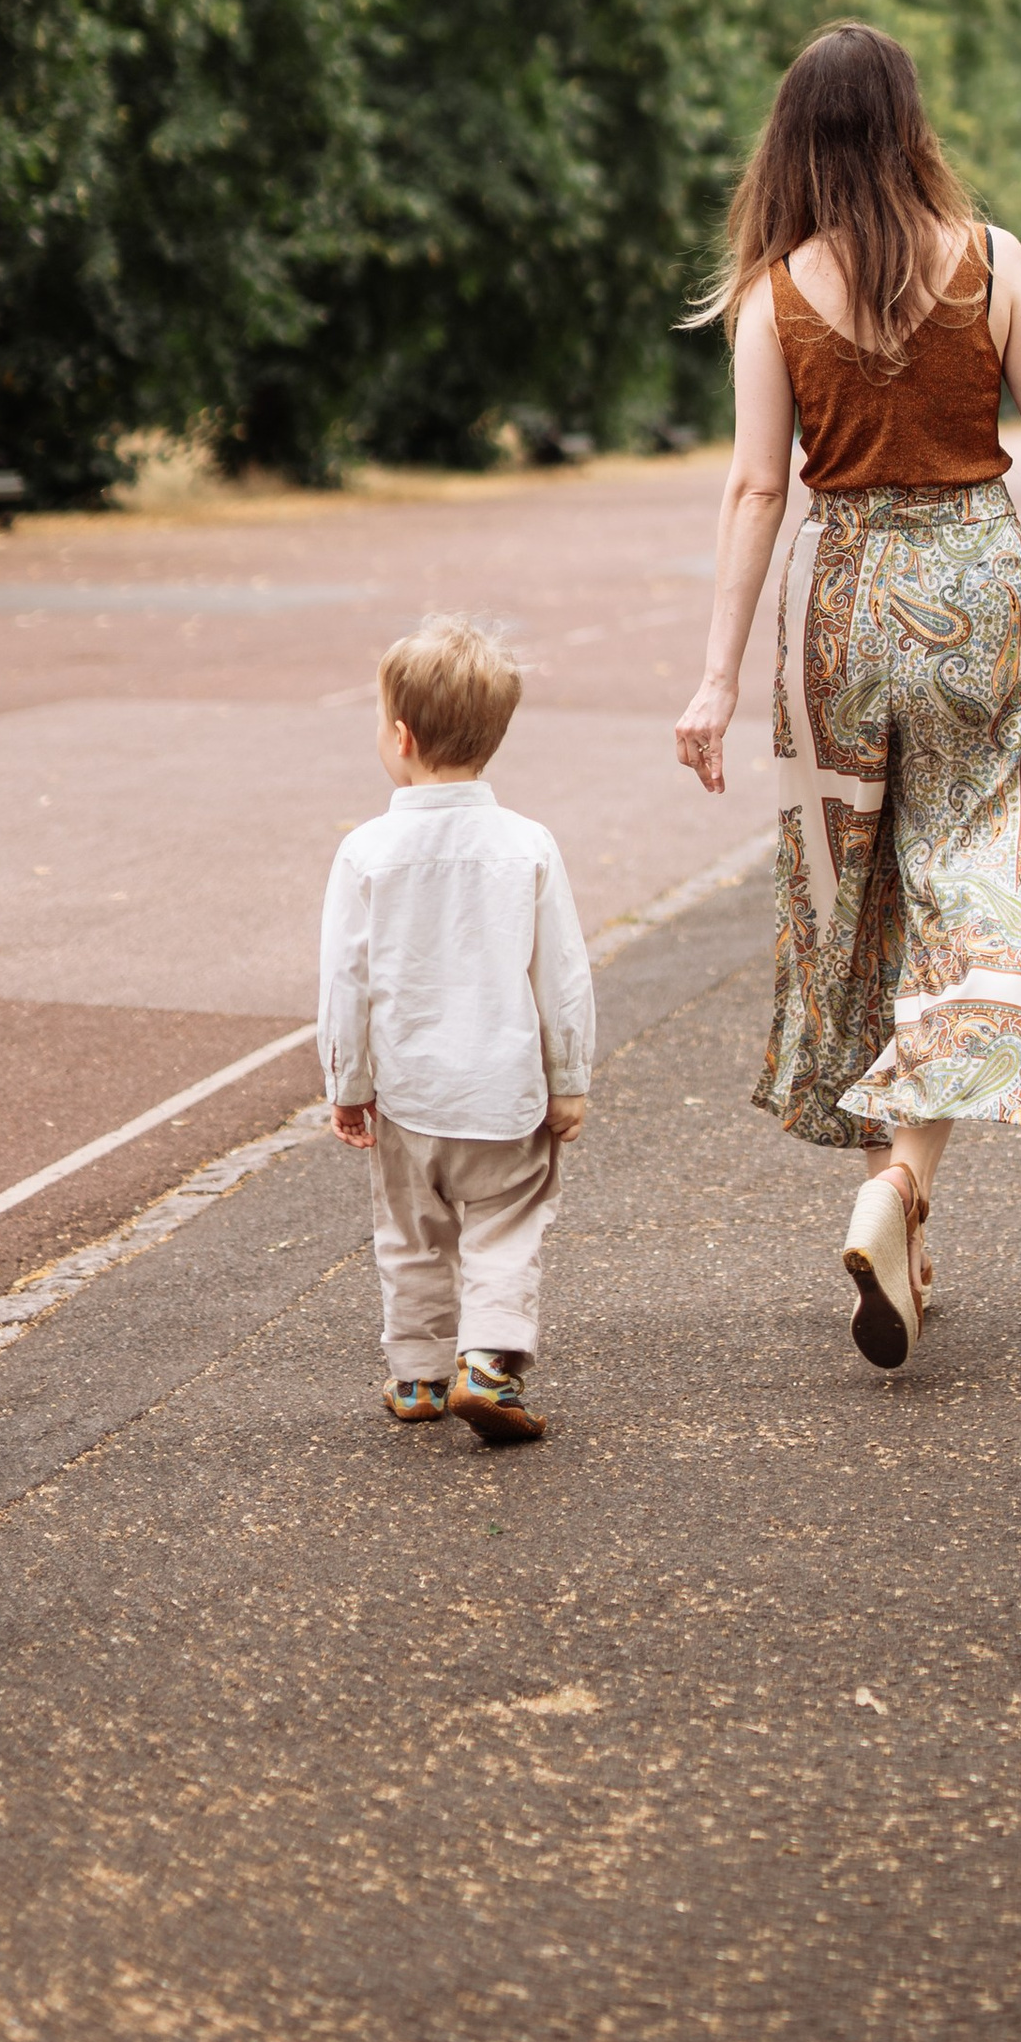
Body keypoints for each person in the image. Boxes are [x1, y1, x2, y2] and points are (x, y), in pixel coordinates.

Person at [674, 23, 1021, 1371]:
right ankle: (901, 1187)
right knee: (975, 895)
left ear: (790, 139)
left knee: (858, 900)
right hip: (981, 580)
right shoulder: (996, 262)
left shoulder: (771, 295)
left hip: (837, 599)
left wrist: (719, 674)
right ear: (911, 124)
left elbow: (753, 489)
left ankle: (903, 1214)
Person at [319, 613, 595, 1448]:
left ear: (399, 736)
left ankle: (416, 1376)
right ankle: (491, 1365)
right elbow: (563, 974)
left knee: (410, 1236)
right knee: (507, 1228)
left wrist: (348, 1085)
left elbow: (346, 982)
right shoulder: (528, 846)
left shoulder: (367, 851)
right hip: (506, 1094)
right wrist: (571, 1078)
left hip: (410, 1096)